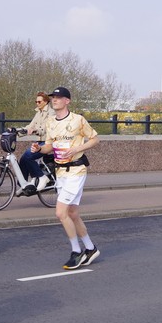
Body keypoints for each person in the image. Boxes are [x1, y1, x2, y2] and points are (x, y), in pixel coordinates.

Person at [39, 86, 101, 269]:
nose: (54, 100)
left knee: (61, 213)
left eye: (58, 97)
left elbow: (95, 139)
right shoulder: (50, 122)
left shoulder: (78, 120)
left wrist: (77, 149)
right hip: (60, 172)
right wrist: (39, 148)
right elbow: (49, 147)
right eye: (53, 97)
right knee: (72, 213)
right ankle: (90, 248)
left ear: (67, 101)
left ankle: (76, 251)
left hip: (76, 171)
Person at [18, 92, 53, 196]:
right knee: (23, 159)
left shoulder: (51, 112)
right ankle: (24, 184)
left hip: (48, 142)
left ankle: (42, 177)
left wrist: (35, 130)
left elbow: (45, 128)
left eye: (39, 101)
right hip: (40, 141)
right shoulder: (38, 113)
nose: (37, 103)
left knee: (28, 156)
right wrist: (17, 131)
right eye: (36, 101)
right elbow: (31, 125)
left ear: (46, 102)